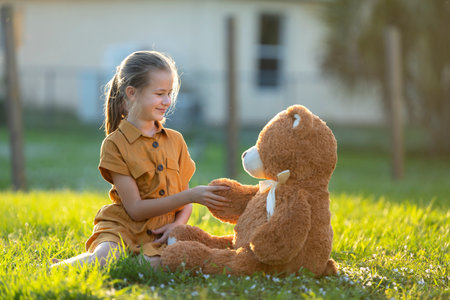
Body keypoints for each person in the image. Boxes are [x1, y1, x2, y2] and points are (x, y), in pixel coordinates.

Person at [52, 50, 230, 268]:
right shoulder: (115, 144)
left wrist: (177, 225)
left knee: (152, 267)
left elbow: (184, 202)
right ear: (132, 93)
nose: (167, 101)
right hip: (123, 228)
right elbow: (135, 209)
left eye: (169, 93)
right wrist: (191, 195)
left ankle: (114, 263)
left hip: (159, 236)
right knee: (106, 258)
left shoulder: (176, 141)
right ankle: (58, 269)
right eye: (159, 94)